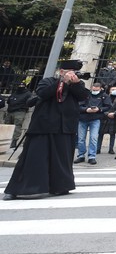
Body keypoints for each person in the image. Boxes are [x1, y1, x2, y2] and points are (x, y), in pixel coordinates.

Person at [4, 60, 90, 201]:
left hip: (65, 127)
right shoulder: (48, 81)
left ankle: (60, 186)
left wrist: (74, 83)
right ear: (62, 71)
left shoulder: (77, 85)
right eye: (70, 72)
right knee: (34, 158)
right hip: (43, 126)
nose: (73, 75)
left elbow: (83, 96)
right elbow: (43, 93)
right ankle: (18, 189)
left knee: (61, 160)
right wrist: (61, 82)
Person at [75, 81, 109, 165]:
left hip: (95, 119)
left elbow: (108, 106)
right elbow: (78, 106)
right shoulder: (86, 95)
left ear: (100, 89)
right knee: (81, 139)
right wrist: (86, 109)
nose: (94, 91)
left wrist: (99, 109)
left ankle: (92, 156)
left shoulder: (104, 96)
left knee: (93, 138)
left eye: (96, 90)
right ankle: (81, 155)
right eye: (93, 89)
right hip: (83, 118)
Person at [3, 82, 33, 149]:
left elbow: (29, 102)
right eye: (19, 85)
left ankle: (14, 142)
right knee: (7, 126)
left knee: (17, 127)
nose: (20, 86)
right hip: (10, 111)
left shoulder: (27, 94)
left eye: (22, 85)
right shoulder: (15, 93)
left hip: (20, 112)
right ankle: (5, 140)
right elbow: (9, 101)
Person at [97, 86, 116, 155]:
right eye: (113, 89)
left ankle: (111, 149)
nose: (115, 90)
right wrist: (107, 113)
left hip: (114, 117)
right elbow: (101, 106)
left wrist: (114, 113)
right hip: (104, 117)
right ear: (109, 90)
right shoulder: (105, 97)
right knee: (100, 134)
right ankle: (98, 149)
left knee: (113, 134)